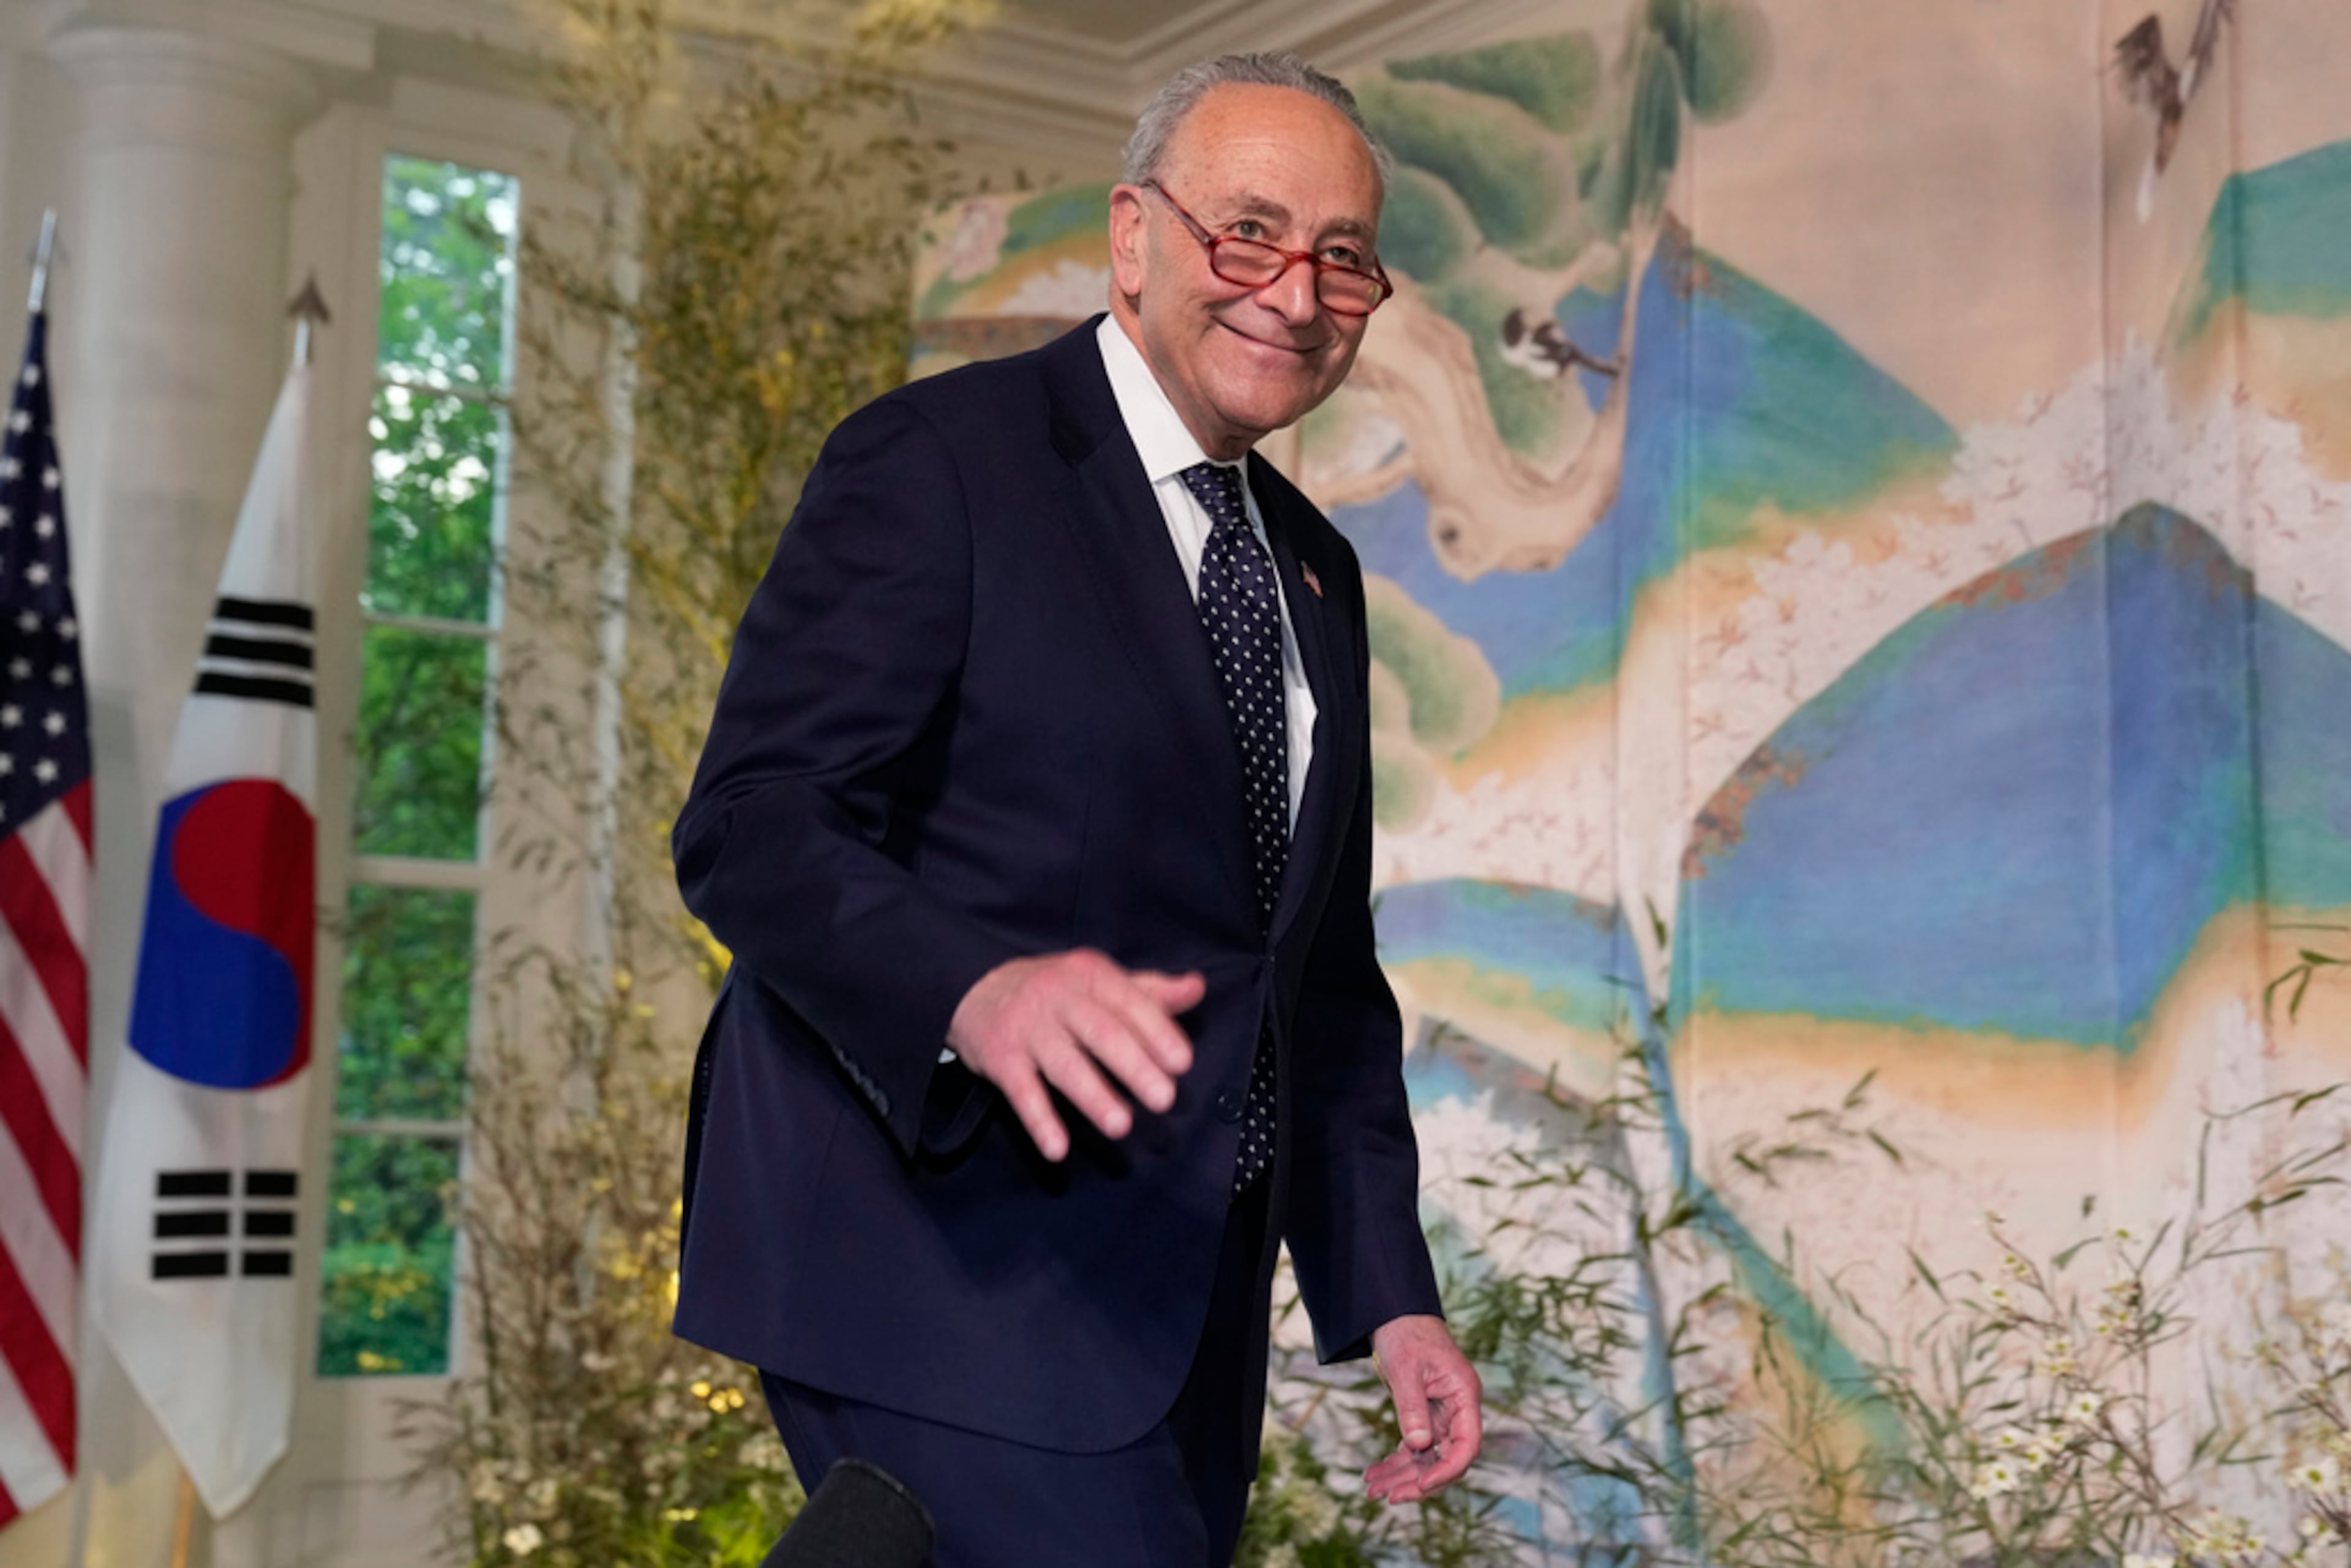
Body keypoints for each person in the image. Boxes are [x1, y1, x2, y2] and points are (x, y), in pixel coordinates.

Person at [670, 50, 1482, 1567]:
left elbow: (1312, 976)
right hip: (934, 1262)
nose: (1295, 295)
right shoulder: (937, 463)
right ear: (1132, 236)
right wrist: (971, 990)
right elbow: (754, 824)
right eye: (1249, 234)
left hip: (1178, 1305)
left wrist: (1388, 1295)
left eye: (1343, 258)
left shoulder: (1316, 570)